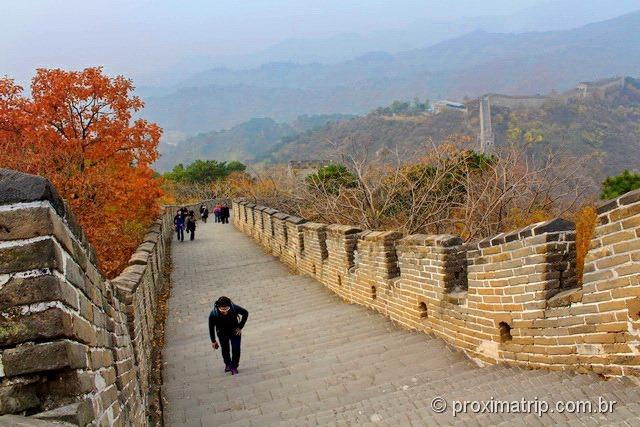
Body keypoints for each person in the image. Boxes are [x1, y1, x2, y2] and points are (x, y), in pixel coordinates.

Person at [209, 296, 248, 375]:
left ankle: (234, 366)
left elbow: (245, 313)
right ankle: (227, 364)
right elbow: (211, 327)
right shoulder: (213, 314)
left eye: (226, 309)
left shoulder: (234, 308)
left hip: (235, 332)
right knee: (225, 349)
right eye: (222, 309)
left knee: (236, 349)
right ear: (218, 307)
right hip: (222, 334)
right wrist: (213, 341)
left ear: (229, 306)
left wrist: (240, 327)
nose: (225, 311)